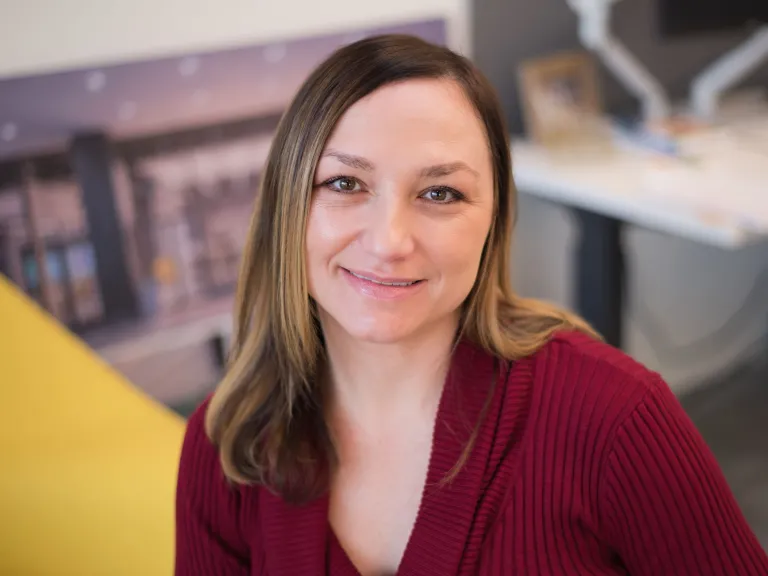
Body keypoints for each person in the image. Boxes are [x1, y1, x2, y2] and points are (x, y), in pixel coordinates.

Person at [175, 34, 768, 575]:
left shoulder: (617, 418)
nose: (389, 242)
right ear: (287, 207)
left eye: (440, 193)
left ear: (493, 221)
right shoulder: (226, 442)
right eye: (345, 184)